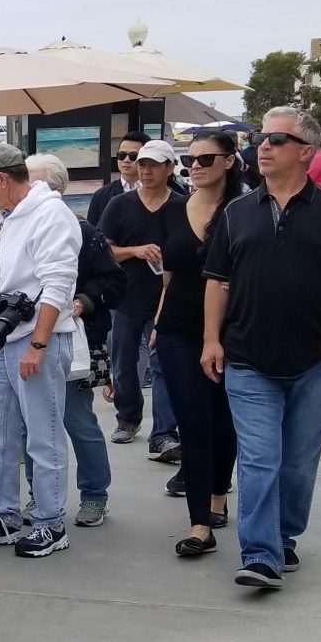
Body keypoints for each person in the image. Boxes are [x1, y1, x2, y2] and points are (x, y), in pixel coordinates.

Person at [201, 108, 321, 589]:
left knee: (297, 461)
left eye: (276, 138)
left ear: (306, 152)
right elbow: (218, 283)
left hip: (314, 361)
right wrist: (211, 340)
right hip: (248, 360)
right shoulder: (235, 213)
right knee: (259, 458)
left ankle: (284, 537)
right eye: (260, 138)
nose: (264, 146)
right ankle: (260, 554)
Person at [0, 144, 80, 558]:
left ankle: (49, 523)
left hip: (33, 339)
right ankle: (3, 516)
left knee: (42, 435)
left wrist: (39, 344)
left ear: (2, 180)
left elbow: (59, 283)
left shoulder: (50, 214)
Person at [23, 153, 127, 528]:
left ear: (56, 189)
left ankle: (95, 496)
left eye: (31, 180)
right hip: (25, 342)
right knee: (30, 425)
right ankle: (40, 496)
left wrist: (82, 301)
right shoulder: (12, 226)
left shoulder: (82, 231)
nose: (24, 187)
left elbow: (115, 283)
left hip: (73, 343)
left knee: (78, 421)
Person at [153, 132, 245, 557]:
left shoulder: (245, 210)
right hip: (176, 329)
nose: (197, 166)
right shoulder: (173, 210)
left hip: (233, 332)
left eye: (206, 158)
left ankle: (218, 495)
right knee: (192, 424)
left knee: (223, 421)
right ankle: (199, 524)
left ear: (229, 161)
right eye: (190, 160)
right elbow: (169, 275)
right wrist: (156, 322)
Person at [97, 138, 182, 463]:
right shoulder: (120, 205)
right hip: (125, 298)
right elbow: (104, 249)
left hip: (168, 300)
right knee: (123, 362)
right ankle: (128, 417)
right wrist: (135, 250)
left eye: (152, 164)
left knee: (163, 366)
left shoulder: (181, 206)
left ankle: (163, 434)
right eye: (140, 163)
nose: (144, 169)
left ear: (169, 168)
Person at [85, 132, 149, 227]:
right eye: (121, 155)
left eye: (133, 156)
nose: (126, 160)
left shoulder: (159, 193)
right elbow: (93, 235)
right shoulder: (101, 195)